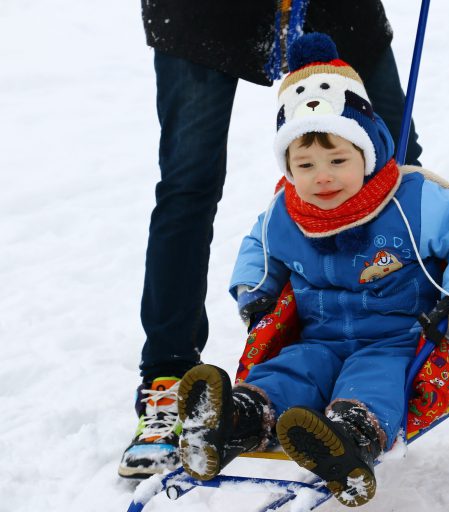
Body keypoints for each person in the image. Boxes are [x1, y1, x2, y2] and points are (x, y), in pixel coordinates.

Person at [174, 33, 449, 507]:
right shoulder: (287, 212)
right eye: (304, 164)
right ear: (288, 167)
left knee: (373, 382)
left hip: (397, 339)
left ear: (367, 153)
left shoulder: (410, 200)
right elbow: (258, 246)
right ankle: (235, 421)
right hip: (319, 338)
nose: (322, 176)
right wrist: (256, 289)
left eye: (337, 159)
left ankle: (350, 440)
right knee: (288, 372)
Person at [118, 1, 423, 479]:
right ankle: (167, 378)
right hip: (199, 15)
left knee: (393, 160)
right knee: (187, 184)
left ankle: (403, 338)